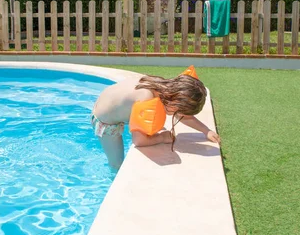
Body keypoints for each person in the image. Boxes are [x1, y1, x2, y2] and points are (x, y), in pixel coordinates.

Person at [91, 68, 220, 169]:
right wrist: (162, 137)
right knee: (117, 163)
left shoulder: (161, 85)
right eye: (177, 112)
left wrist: (206, 130)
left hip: (108, 100)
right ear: (175, 103)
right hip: (105, 122)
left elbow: (183, 115)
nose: (178, 115)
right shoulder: (146, 97)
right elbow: (139, 141)